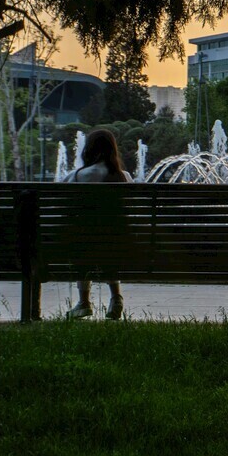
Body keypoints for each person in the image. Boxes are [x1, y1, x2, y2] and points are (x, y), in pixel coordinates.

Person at [62, 129, 132, 319]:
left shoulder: (76, 176)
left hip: (83, 246)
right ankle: (116, 297)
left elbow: (62, 210)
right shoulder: (124, 177)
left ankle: (84, 302)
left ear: (88, 150)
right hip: (118, 246)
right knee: (110, 240)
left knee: (83, 239)